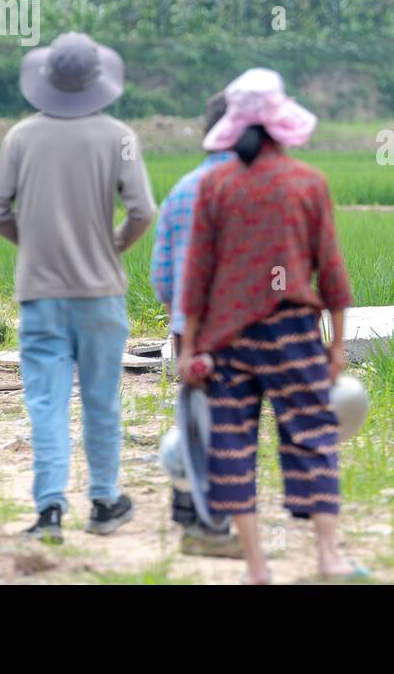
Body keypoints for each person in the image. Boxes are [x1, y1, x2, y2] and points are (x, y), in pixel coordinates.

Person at [178, 68, 364, 584]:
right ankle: (328, 557)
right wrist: (338, 343)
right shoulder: (308, 183)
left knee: (233, 447)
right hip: (293, 334)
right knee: (312, 437)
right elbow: (331, 268)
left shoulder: (215, 185)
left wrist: (189, 346)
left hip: (228, 341)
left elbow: (197, 272)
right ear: (282, 122)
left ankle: (258, 569)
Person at [0, 32, 156, 543]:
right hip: (101, 293)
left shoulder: (20, 137)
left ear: (47, 81)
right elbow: (143, 211)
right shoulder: (119, 135)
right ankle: (104, 502)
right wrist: (112, 246)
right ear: (97, 81)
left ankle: (50, 510)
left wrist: (33, 246)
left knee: (47, 403)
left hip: (41, 296)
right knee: (102, 400)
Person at [149, 90, 240, 557]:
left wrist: (179, 327)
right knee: (229, 430)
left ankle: (189, 509)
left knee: (197, 421)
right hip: (239, 331)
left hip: (189, 332)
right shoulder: (249, 188)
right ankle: (212, 529)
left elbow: (162, 278)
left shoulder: (183, 188)